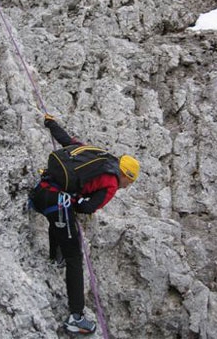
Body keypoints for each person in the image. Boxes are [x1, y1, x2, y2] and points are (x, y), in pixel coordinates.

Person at [29, 115, 140, 335]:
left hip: (40, 192)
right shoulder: (111, 182)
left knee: (60, 227)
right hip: (56, 203)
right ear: (126, 176)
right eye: (130, 182)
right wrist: (76, 200)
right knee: (75, 257)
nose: (127, 186)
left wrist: (50, 122)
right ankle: (76, 317)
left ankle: (55, 257)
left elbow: (66, 140)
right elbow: (88, 207)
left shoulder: (95, 153)